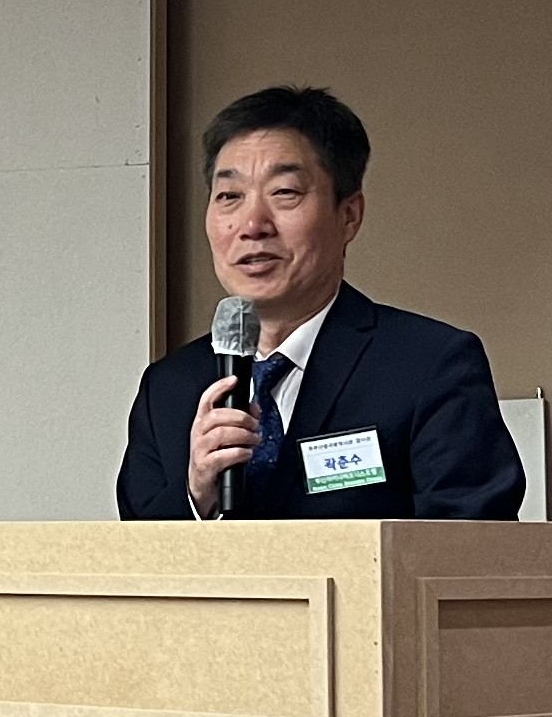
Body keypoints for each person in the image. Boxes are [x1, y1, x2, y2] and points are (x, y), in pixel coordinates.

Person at [117, 84, 526, 521]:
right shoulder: (169, 388)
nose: (252, 225)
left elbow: (471, 543)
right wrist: (197, 496)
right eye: (230, 196)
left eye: (284, 192)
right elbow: (132, 552)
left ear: (348, 215)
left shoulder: (429, 365)